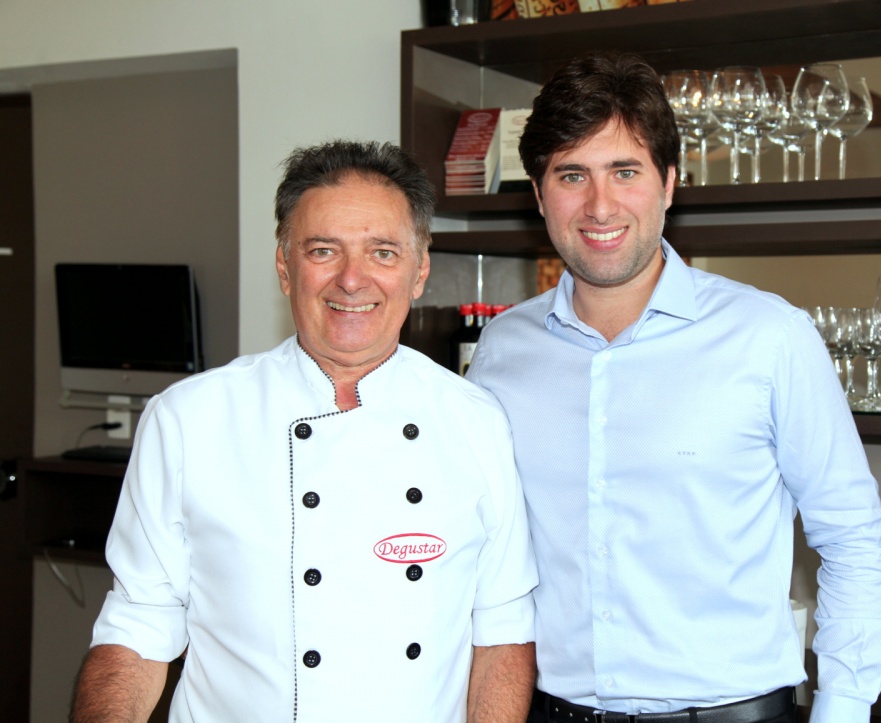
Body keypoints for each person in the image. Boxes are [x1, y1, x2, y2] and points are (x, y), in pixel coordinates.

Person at [467, 52, 881, 723]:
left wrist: (842, 708)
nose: (600, 204)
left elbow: (855, 538)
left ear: (669, 183)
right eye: (572, 175)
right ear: (540, 194)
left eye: (626, 171)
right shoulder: (501, 349)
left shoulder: (769, 336)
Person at [70, 140, 538, 722]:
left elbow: (502, 629)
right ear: (284, 267)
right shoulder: (189, 418)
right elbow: (139, 623)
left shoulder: (475, 421)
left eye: (383, 252)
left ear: (419, 271)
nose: (352, 279)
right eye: (323, 250)